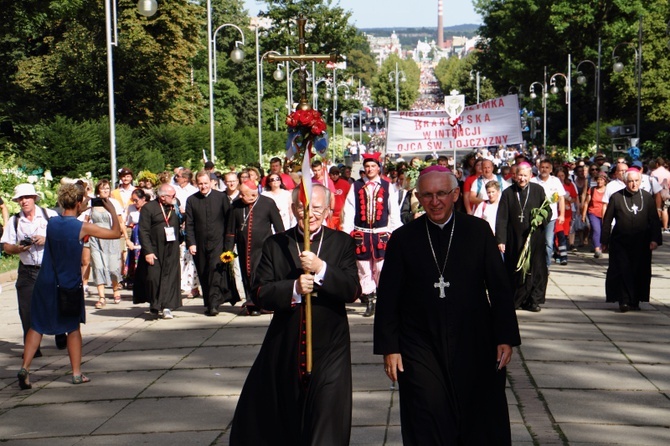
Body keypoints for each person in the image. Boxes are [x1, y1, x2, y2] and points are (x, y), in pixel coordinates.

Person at [374, 166, 521, 445]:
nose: (435, 201)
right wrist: (389, 347)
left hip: (474, 337)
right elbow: (389, 297)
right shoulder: (404, 238)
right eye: (427, 195)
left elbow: (500, 288)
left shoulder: (478, 231)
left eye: (442, 193)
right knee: (426, 412)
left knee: (478, 414)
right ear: (418, 196)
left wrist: (505, 336)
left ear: (455, 194)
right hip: (419, 342)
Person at [229, 185, 360, 445]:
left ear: (328, 210)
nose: (310, 214)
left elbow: (352, 290)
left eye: (317, 208)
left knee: (326, 419)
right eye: (303, 207)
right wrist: (294, 288)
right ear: (293, 209)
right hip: (285, 345)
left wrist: (322, 269)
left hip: (330, 346)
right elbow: (259, 292)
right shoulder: (276, 244)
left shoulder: (341, 242)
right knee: (282, 419)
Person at [17, 183, 121, 389]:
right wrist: (111, 210)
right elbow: (116, 233)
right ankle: (76, 373)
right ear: (79, 202)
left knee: (36, 326)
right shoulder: (81, 227)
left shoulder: (52, 223)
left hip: (45, 282)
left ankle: (25, 368)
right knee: (72, 328)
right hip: (68, 284)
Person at [1, 184, 61, 358]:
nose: (24, 201)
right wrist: (17, 248)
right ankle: (33, 346)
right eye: (20, 198)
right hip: (27, 270)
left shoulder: (50, 216)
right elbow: (5, 246)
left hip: (49, 268)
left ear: (34, 198)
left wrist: (46, 239)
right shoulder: (15, 220)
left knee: (53, 303)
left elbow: (61, 238)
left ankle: (59, 331)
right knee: (26, 309)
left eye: (27, 197)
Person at [342, 152, 401, 317]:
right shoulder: (356, 186)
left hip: (381, 233)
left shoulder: (387, 186)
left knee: (382, 267)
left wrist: (393, 232)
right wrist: (347, 233)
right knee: (364, 268)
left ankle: (383, 300)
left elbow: (393, 211)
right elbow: (349, 210)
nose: (370, 169)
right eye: (367, 166)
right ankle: (370, 301)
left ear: (378, 167)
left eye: (373, 166)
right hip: (362, 234)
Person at [601, 169, 662, 312]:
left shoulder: (646, 197)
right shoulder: (617, 197)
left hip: (642, 242)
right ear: (625, 181)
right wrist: (604, 240)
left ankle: (635, 300)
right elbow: (608, 219)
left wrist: (655, 239)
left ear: (640, 181)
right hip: (620, 241)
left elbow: (653, 220)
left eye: (636, 181)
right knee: (623, 270)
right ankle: (624, 300)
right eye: (630, 181)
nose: (634, 184)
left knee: (639, 271)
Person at [496, 163, 551, 311]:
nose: (522, 178)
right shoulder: (508, 193)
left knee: (536, 268)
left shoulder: (538, 190)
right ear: (515, 175)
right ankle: (517, 299)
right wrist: (501, 240)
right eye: (520, 175)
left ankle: (534, 300)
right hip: (514, 238)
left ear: (530, 176)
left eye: (525, 175)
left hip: (534, 238)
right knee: (516, 268)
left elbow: (547, 210)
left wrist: (541, 218)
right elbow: (502, 218)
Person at [225, 180, 284, 315]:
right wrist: (228, 250)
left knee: (261, 275)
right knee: (246, 275)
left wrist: (281, 246)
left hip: (264, 248)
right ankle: (251, 303)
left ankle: (264, 303)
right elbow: (230, 230)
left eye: (243, 194)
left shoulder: (268, 203)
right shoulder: (236, 205)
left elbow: (279, 227)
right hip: (243, 247)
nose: (239, 196)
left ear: (253, 195)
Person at [186, 171, 234, 316]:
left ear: (212, 183)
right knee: (203, 271)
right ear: (196, 184)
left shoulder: (221, 197)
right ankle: (208, 302)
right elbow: (189, 223)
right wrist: (191, 242)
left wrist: (228, 243)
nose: (203, 186)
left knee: (214, 270)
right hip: (200, 243)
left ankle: (214, 304)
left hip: (218, 242)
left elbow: (228, 221)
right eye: (200, 183)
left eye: (206, 183)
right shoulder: (192, 200)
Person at [131, 184, 182, 319]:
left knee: (170, 277)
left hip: (171, 248)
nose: (174, 198)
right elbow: (144, 231)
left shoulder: (174, 206)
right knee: (153, 278)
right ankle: (155, 303)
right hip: (154, 248)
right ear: (163, 197)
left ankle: (166, 306)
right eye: (172, 196)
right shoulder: (149, 208)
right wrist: (148, 251)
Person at [531, 159, 566, 268]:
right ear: (538, 168)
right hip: (536, 217)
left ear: (550, 169)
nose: (544, 169)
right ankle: (535, 265)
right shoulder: (533, 181)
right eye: (542, 167)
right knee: (535, 242)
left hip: (551, 217)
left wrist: (562, 215)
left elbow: (561, 198)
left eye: (547, 167)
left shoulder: (555, 181)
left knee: (548, 243)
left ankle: (546, 266)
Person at [582, 172, 608, 258]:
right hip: (593, 212)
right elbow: (586, 202)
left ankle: (597, 244)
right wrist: (583, 215)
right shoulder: (592, 189)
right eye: (598, 179)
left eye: (601, 180)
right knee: (597, 229)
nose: (599, 181)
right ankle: (597, 249)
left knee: (600, 230)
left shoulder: (608, 190)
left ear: (605, 181)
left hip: (604, 214)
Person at [328, 166, 351, 230]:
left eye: (336, 174)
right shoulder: (327, 183)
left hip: (341, 214)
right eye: (333, 174)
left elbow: (349, 198)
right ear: (329, 174)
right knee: (330, 233)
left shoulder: (345, 184)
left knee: (341, 233)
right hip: (330, 214)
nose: (335, 176)